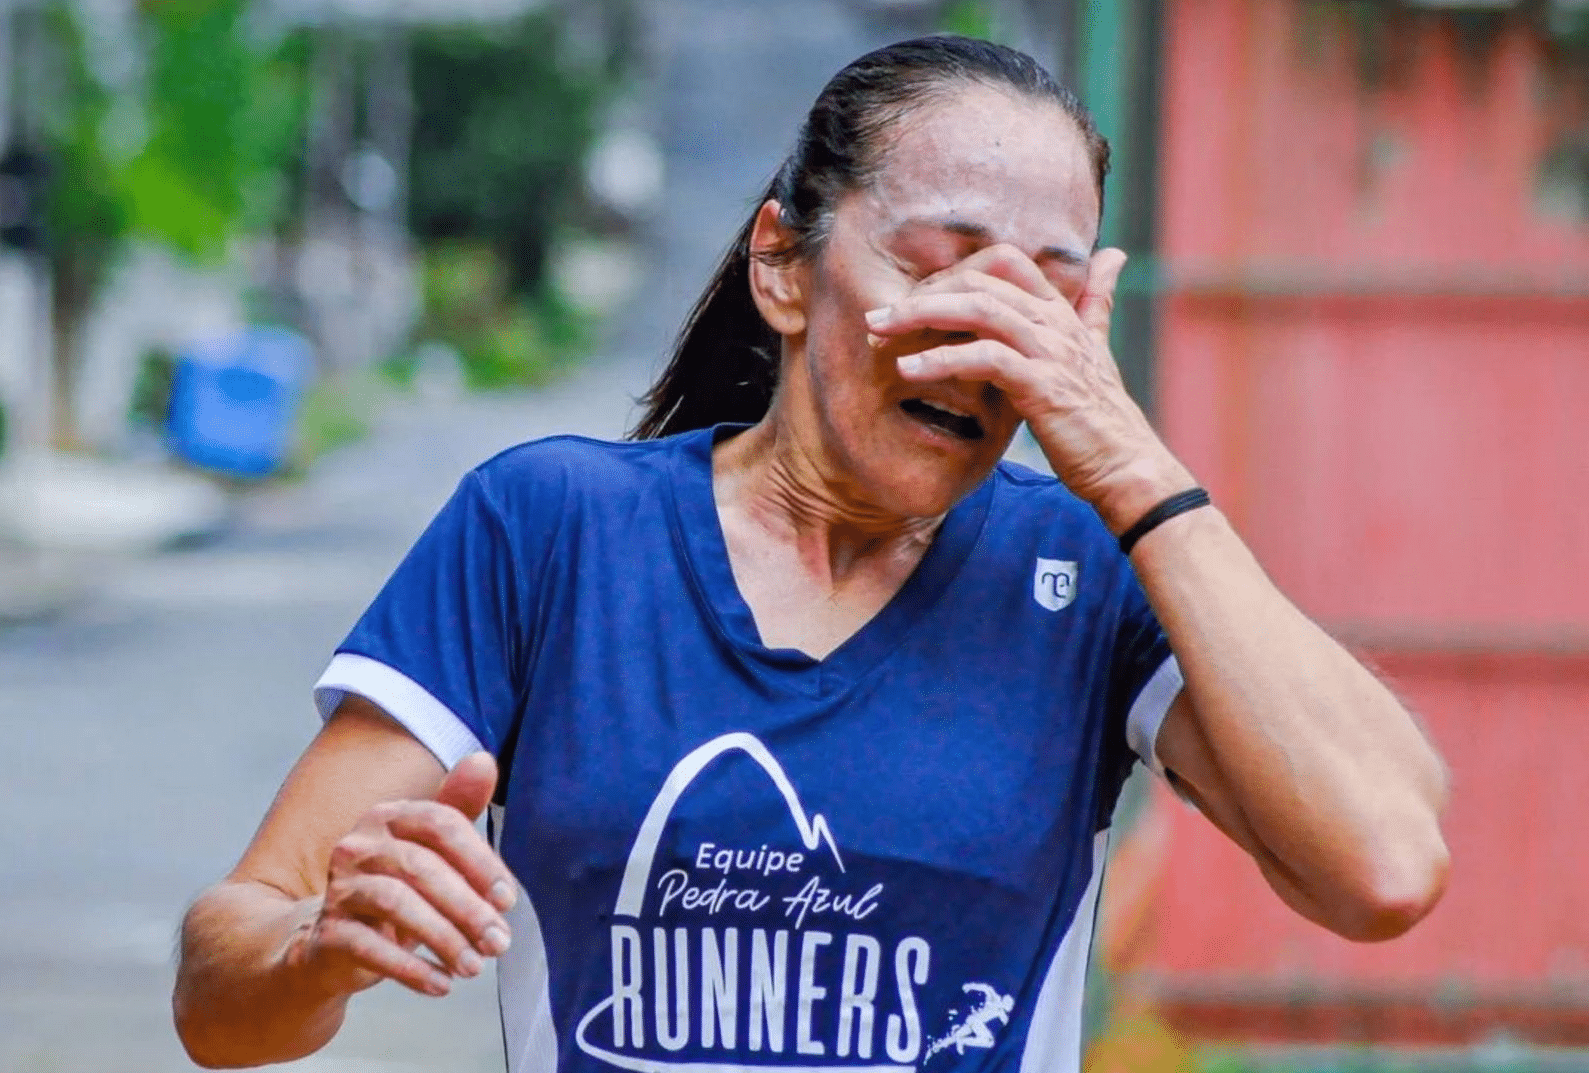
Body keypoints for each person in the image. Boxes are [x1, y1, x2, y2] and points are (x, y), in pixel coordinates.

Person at [172, 35, 1449, 1073]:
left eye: (1043, 297)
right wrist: (316, 946)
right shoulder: (551, 527)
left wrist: (1125, 461)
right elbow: (220, 993)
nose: (982, 336)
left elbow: (1383, 865)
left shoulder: (1089, 577)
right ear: (781, 264)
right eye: (937, 265)